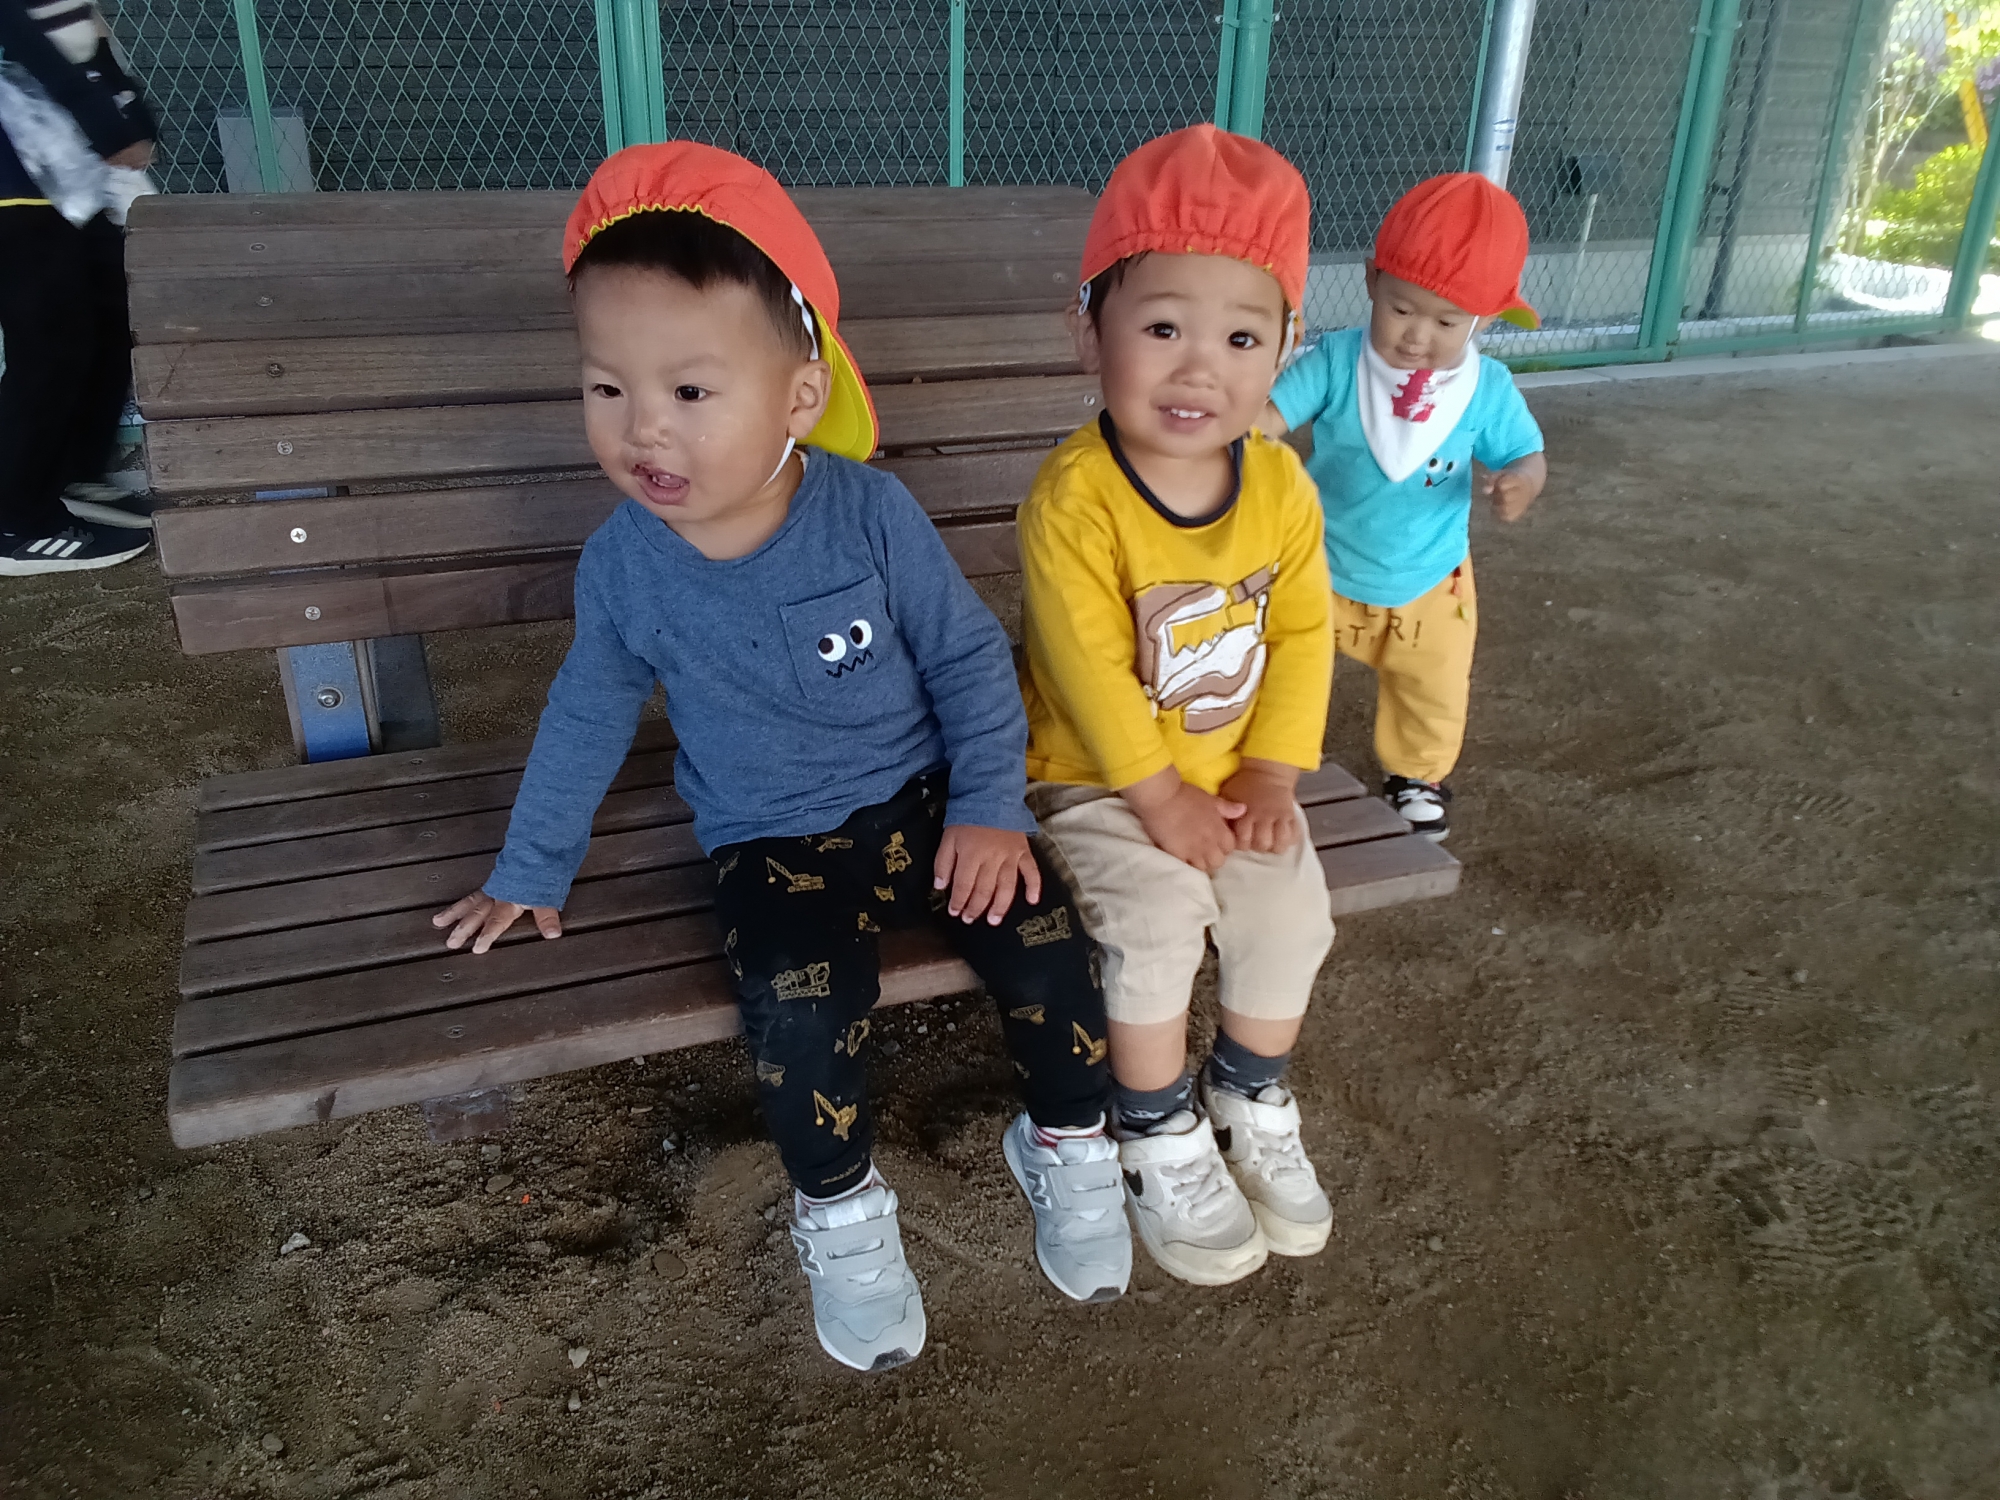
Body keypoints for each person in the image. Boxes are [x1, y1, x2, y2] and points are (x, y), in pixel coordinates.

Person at [430, 142, 1130, 1372]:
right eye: (606, 387)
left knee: (1047, 950)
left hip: (930, 803)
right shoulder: (624, 564)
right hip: (771, 840)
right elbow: (586, 711)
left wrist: (987, 805)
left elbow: (970, 659)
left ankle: (1066, 1139)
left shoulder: (867, 513)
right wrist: (530, 866)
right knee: (798, 1015)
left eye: (690, 391)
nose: (643, 427)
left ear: (799, 396)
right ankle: (841, 1207)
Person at [1014, 124, 1338, 1287]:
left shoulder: (1282, 487)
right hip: (1099, 779)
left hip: (1231, 773)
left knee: (1288, 912)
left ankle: (1247, 1096)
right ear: (1087, 331)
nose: (1199, 368)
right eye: (1161, 329)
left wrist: (1270, 774)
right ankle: (1150, 1127)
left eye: (1240, 337)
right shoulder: (1075, 498)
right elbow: (1090, 672)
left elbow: (1301, 635)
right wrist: (1157, 799)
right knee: (1152, 923)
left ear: (1284, 349)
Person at [1261, 173, 1548, 840]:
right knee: (1281, 660)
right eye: (1401, 309)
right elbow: (1268, 418)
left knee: (1433, 686)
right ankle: (1266, 754)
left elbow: (1526, 454)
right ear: (1371, 281)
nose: (1418, 336)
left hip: (1432, 576)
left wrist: (1521, 483)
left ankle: (1418, 775)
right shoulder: (1338, 361)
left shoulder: (1486, 388)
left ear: (1483, 320)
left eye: (1446, 322)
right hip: (1321, 562)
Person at [0, 0, 157, 574]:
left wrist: (128, 110)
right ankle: (15, 521)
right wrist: (110, 126)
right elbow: (22, 32)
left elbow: (86, 31)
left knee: (108, 322)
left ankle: (69, 476)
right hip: (15, 181)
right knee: (50, 346)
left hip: (72, 175)